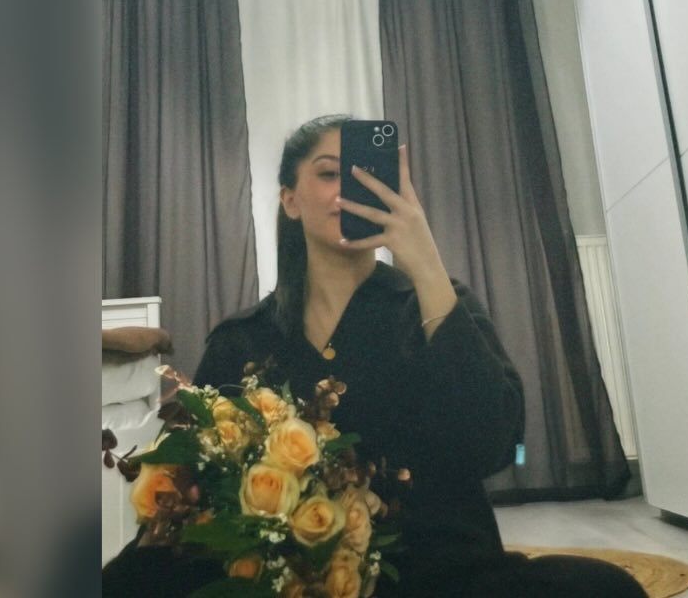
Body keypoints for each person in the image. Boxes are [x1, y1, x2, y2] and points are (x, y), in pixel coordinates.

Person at [103, 115, 646, 598]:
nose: (350, 187)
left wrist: (424, 261)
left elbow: (494, 444)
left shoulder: (435, 305)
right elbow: (192, 489)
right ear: (290, 200)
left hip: (438, 574)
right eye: (328, 173)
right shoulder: (241, 341)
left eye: (366, 174)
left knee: (603, 589)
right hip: (289, 579)